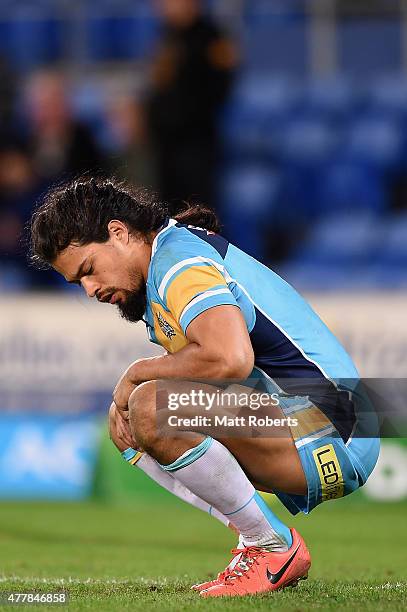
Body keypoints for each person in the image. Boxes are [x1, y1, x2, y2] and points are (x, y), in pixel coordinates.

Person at [29, 176, 380, 598]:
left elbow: (230, 359)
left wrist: (137, 373)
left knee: (150, 406)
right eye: (77, 283)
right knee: (128, 424)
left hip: (334, 425)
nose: (90, 290)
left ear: (118, 233)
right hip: (306, 419)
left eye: (88, 269)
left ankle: (271, 546)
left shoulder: (179, 264)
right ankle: (260, 539)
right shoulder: (167, 262)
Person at [147, 0, 237, 208]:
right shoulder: (166, 36)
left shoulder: (211, 37)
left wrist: (183, 112)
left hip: (196, 145)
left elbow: (221, 87)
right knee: (168, 212)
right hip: (166, 146)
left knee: (198, 212)